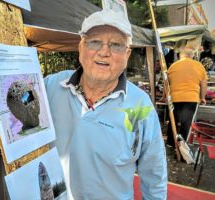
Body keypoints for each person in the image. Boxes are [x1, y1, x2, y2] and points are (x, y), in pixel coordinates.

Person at [45, 9, 167, 200]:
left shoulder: (140, 105)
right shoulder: (50, 86)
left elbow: (154, 172)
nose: (104, 52)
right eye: (94, 42)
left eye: (116, 45)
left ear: (127, 54)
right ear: (81, 46)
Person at [166, 48, 208, 147]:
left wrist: (165, 96)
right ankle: (183, 145)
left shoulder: (173, 66)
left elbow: (166, 83)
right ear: (192, 55)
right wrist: (202, 97)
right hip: (191, 98)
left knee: (174, 120)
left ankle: (170, 143)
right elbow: (203, 84)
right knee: (186, 122)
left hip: (175, 98)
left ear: (181, 55)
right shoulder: (199, 66)